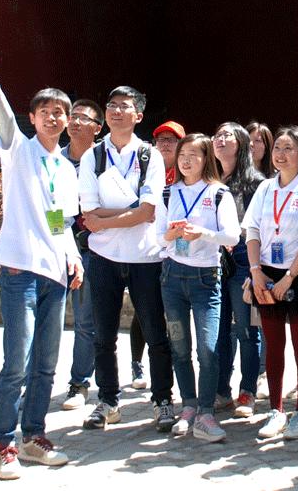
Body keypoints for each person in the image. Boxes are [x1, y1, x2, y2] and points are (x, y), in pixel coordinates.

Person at [0, 44, 83, 480]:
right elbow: (4, 120)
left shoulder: (67, 167)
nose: (54, 118)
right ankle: (4, 444)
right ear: (33, 118)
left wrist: (74, 259)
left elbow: (63, 222)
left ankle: (34, 436)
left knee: (46, 364)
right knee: (16, 362)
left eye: (60, 112)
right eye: (46, 112)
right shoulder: (19, 150)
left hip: (56, 275)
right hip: (20, 271)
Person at [78, 86, 175, 432]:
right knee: (102, 334)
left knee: (155, 331)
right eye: (112, 105)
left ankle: (162, 399)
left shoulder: (150, 156)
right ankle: (108, 400)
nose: (117, 111)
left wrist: (103, 222)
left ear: (138, 115)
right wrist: (120, 216)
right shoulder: (93, 156)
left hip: (145, 257)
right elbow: (87, 211)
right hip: (103, 257)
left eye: (125, 106)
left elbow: (149, 211)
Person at [244, 126, 298, 440]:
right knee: (273, 345)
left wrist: (290, 277)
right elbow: (252, 230)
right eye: (278, 147)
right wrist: (255, 272)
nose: (281, 153)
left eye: (289, 148)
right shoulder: (265, 188)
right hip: (266, 274)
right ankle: (275, 410)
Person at [158, 133, 240, 441]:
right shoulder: (169, 193)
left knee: (207, 348)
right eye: (182, 155)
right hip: (171, 277)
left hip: (206, 279)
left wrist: (202, 233)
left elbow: (232, 237)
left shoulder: (219, 193)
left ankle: (206, 411)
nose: (186, 160)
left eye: (194, 154)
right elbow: (156, 239)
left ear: (206, 158)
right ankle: (189, 406)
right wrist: (170, 234)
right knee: (179, 347)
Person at [126, 120, 187, 391]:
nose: (165, 144)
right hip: (147, 248)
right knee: (144, 309)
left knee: (170, 312)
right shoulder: (144, 169)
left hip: (176, 251)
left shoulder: (186, 173)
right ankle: (136, 363)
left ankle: (171, 363)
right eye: (160, 139)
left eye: (171, 140)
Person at [212, 122, 265, 418]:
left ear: (241, 143)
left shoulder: (256, 182)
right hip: (213, 258)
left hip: (245, 258)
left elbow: (261, 228)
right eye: (217, 135)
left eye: (227, 135)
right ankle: (221, 389)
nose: (220, 140)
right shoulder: (209, 179)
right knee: (218, 330)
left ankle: (248, 390)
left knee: (247, 329)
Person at [61, 99, 105, 411]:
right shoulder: (54, 159)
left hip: (92, 250)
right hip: (56, 249)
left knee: (85, 321)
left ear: (97, 128)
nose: (75, 122)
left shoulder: (104, 161)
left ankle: (80, 382)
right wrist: (58, 239)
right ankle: (33, 383)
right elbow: (51, 208)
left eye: (83, 118)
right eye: (72, 116)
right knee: (44, 322)